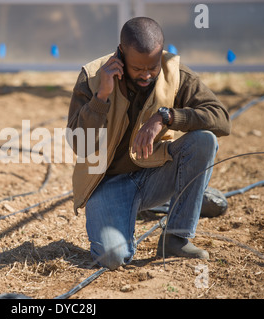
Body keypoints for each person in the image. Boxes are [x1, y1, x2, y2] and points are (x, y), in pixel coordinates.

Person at [67, 17, 231, 270]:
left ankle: (176, 237)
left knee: (203, 141)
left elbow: (221, 119)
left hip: (154, 173)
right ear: (120, 53)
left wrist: (167, 117)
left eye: (152, 67)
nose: (146, 75)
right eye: (137, 68)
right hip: (107, 184)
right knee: (111, 258)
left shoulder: (174, 72)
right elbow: (80, 145)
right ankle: (172, 200)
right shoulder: (92, 77)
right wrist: (102, 96)